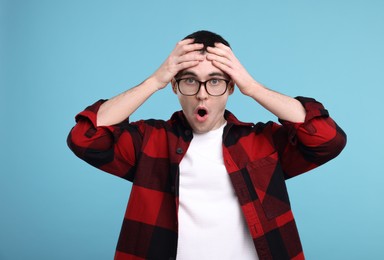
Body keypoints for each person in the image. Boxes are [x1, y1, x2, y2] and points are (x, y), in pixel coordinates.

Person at [67, 30, 347, 260]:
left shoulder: (261, 141)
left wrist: (253, 87)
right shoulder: (150, 140)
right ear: (175, 87)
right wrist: (155, 81)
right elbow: (85, 137)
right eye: (190, 81)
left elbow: (327, 139)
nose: (202, 95)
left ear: (231, 87)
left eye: (215, 81)